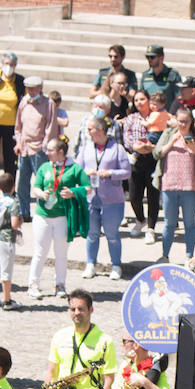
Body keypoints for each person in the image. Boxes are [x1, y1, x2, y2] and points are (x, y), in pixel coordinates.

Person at [26, 136, 88, 300]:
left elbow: (87, 187)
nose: (47, 152)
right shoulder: (45, 167)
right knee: (40, 251)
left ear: (60, 152)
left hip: (62, 216)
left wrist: (73, 192)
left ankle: (60, 284)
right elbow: (35, 188)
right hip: (43, 216)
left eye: (50, 150)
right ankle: (33, 284)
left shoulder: (74, 168)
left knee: (61, 253)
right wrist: (42, 194)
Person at [74, 116, 130, 280]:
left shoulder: (117, 148)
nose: (88, 132)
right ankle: (91, 264)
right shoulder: (86, 147)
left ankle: (116, 265)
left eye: (90, 129)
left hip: (112, 199)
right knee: (92, 233)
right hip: (91, 197)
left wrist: (110, 173)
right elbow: (77, 169)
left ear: (99, 130)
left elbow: (126, 172)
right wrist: (85, 173)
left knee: (112, 234)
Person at [154, 107, 195, 262]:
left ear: (191, 122)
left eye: (186, 122)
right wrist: (171, 142)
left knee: (190, 224)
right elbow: (157, 153)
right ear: (176, 120)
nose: (183, 125)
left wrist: (193, 148)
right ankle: (165, 255)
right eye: (180, 121)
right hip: (169, 185)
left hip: (189, 187)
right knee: (169, 223)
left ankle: (189, 257)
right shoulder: (168, 133)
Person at [14, 74, 58, 221]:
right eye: (29, 89)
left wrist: (44, 145)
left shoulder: (48, 103)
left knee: (41, 182)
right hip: (24, 148)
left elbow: (51, 126)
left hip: (39, 148)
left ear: (40, 88)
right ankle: (24, 212)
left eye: (34, 89)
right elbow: (18, 126)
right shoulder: (24, 102)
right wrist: (18, 142)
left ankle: (42, 210)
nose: (31, 92)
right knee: (22, 182)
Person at [122, 89, 159, 241]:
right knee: (134, 195)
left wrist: (149, 147)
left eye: (142, 99)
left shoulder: (156, 117)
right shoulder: (131, 118)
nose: (139, 103)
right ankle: (140, 220)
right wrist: (138, 147)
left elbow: (161, 135)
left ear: (149, 100)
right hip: (136, 160)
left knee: (152, 196)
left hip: (153, 160)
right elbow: (127, 138)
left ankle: (151, 227)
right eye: (136, 100)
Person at [0, 53, 23, 177]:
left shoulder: (19, 81)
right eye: (6, 64)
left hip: (11, 126)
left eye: (12, 65)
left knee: (10, 159)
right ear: (2, 64)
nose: (9, 67)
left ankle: (10, 188)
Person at [0, 172, 20, 309]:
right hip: (7, 239)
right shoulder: (13, 203)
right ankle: (7, 300)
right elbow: (14, 224)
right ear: (13, 186)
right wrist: (20, 220)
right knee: (6, 270)